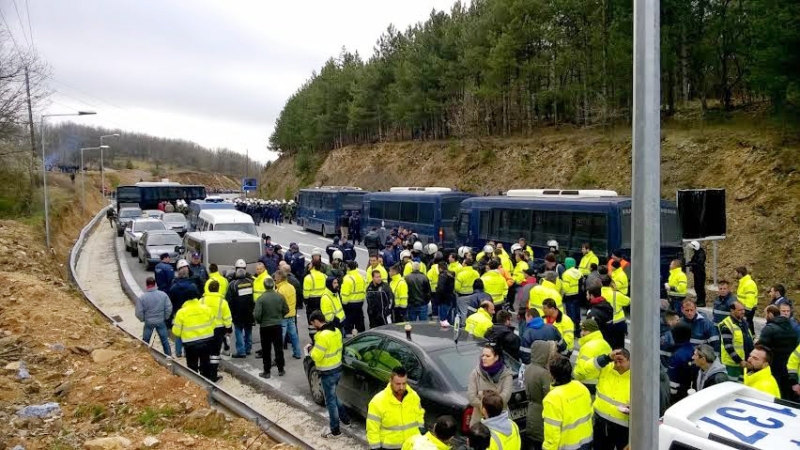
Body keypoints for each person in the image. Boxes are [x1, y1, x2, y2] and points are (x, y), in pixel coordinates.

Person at [306, 310, 351, 438]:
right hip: (337, 369)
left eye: (312, 324)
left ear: (316, 322)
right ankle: (346, 420)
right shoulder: (335, 331)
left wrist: (310, 350)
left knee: (330, 402)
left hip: (327, 372)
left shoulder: (322, 336)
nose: (313, 327)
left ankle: (335, 430)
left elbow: (316, 356)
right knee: (334, 397)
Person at [367, 367, 425, 450]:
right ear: (390, 381)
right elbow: (372, 429)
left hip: (411, 445)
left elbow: (419, 414)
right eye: (398, 384)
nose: (401, 387)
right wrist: (375, 447)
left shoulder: (414, 396)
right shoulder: (377, 401)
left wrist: (421, 430)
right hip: (390, 447)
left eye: (404, 383)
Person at [543, 356, 593, 450]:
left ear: (552, 375)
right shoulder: (581, 387)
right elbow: (590, 412)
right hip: (587, 440)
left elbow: (552, 434)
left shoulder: (552, 399)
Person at [171, 289, 215, 380]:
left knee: (192, 366)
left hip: (190, 344)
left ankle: (195, 385)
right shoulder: (206, 309)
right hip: (207, 341)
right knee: (206, 364)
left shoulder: (181, 312)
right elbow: (213, 324)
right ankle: (206, 382)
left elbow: (176, 332)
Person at [467, 344, 513, 427]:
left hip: (501, 420)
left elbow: (505, 397)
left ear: (496, 357)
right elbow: (471, 397)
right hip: (479, 421)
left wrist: (481, 395)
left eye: (487, 356)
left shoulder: (507, 374)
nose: (483, 358)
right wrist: (485, 407)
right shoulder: (475, 373)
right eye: (483, 355)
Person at [758, 304, 798, 398]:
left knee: (774, 391)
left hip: (773, 366)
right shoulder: (791, 327)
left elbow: (761, 349)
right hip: (788, 366)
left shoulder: (769, 329)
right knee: (785, 392)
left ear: (770, 314)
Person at [253, 277, 289, 378]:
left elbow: (257, 315)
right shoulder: (280, 297)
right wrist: (279, 317)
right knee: (278, 348)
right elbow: (286, 310)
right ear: (273, 285)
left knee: (266, 349)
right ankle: (281, 369)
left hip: (265, 327)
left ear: (264, 286)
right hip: (277, 325)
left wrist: (261, 322)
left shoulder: (261, 299)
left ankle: (267, 371)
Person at [524, 340, 554, 450]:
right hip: (542, 412)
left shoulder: (528, 368)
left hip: (531, 409)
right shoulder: (543, 373)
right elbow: (549, 395)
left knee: (534, 442)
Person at [200, 280, 232, 382]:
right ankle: (213, 375)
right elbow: (227, 318)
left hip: (205, 329)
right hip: (218, 330)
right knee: (215, 354)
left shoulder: (202, 301)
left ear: (208, 288)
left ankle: (203, 373)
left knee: (205, 352)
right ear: (218, 289)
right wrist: (228, 329)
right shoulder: (222, 302)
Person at [168, 260, 200, 358]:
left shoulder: (173, 287)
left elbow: (171, 301)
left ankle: (178, 352)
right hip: (190, 311)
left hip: (178, 312)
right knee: (188, 332)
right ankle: (187, 351)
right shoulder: (192, 286)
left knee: (178, 333)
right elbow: (197, 297)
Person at [135, 276, 173, 356]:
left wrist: (144, 319)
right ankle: (168, 356)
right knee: (164, 341)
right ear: (155, 284)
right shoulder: (163, 295)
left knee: (146, 340)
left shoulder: (142, 297)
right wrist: (165, 317)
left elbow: (138, 312)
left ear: (147, 285)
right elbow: (169, 308)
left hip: (149, 322)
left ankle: (143, 355)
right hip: (160, 321)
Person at [573, 319, 612, 395]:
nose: (582, 333)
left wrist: (575, 378)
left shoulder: (588, 347)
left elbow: (580, 370)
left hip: (587, 383)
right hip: (602, 382)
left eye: (584, 330)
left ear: (590, 331)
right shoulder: (605, 343)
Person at [718, 301, 754, 381]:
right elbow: (728, 346)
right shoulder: (726, 325)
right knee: (732, 387)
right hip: (733, 365)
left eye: (743, 309)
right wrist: (739, 361)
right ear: (732, 310)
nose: (743, 312)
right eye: (740, 310)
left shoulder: (743, 322)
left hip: (745, 363)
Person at [226, 267, 255, 358]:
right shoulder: (251, 282)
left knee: (238, 331)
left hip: (237, 312)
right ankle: (248, 349)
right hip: (249, 311)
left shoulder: (233, 284)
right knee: (248, 330)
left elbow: (229, 300)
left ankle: (241, 351)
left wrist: (230, 312)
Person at [274, 270, 301, 360]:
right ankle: (297, 353)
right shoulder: (291, 287)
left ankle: (278, 357)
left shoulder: (280, 290)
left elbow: (279, 305)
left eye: (276, 278)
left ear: (279, 279)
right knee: (293, 335)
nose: (274, 279)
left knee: (280, 337)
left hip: (283, 316)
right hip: (292, 314)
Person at [667, 322, 694, 402]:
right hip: (691, 390)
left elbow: (673, 378)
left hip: (678, 394)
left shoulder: (677, 355)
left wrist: (671, 396)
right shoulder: (693, 350)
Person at [303, 259, 327, 340]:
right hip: (323, 300)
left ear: (313, 266)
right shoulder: (324, 276)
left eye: (309, 265)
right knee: (322, 319)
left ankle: (314, 339)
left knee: (312, 321)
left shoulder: (308, 278)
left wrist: (306, 302)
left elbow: (306, 294)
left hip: (312, 301)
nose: (308, 266)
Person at [341, 260, 366, 335]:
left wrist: (344, 304)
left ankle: (349, 338)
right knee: (360, 322)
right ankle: (362, 336)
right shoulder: (361, 277)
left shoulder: (347, 278)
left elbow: (345, 294)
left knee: (349, 323)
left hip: (350, 305)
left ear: (348, 268)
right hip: (360, 303)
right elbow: (364, 289)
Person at [561, 258, 582, 334]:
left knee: (570, 315)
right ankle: (578, 331)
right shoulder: (579, 272)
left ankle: (571, 331)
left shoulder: (566, 274)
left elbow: (566, 288)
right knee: (577, 314)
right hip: (577, 295)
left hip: (569, 296)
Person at [735, 266, 758, 335]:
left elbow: (750, 298)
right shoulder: (743, 282)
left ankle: (751, 337)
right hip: (744, 308)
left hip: (747, 309)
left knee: (748, 323)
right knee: (747, 323)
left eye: (735, 273)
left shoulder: (748, 283)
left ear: (740, 274)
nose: (734, 274)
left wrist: (747, 311)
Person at [687, 241, 707, 306]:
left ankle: (702, 301)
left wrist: (691, 264)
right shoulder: (697, 252)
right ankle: (699, 300)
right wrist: (690, 263)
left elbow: (699, 263)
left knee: (700, 287)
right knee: (697, 287)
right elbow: (694, 261)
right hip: (696, 272)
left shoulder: (701, 253)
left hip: (700, 273)